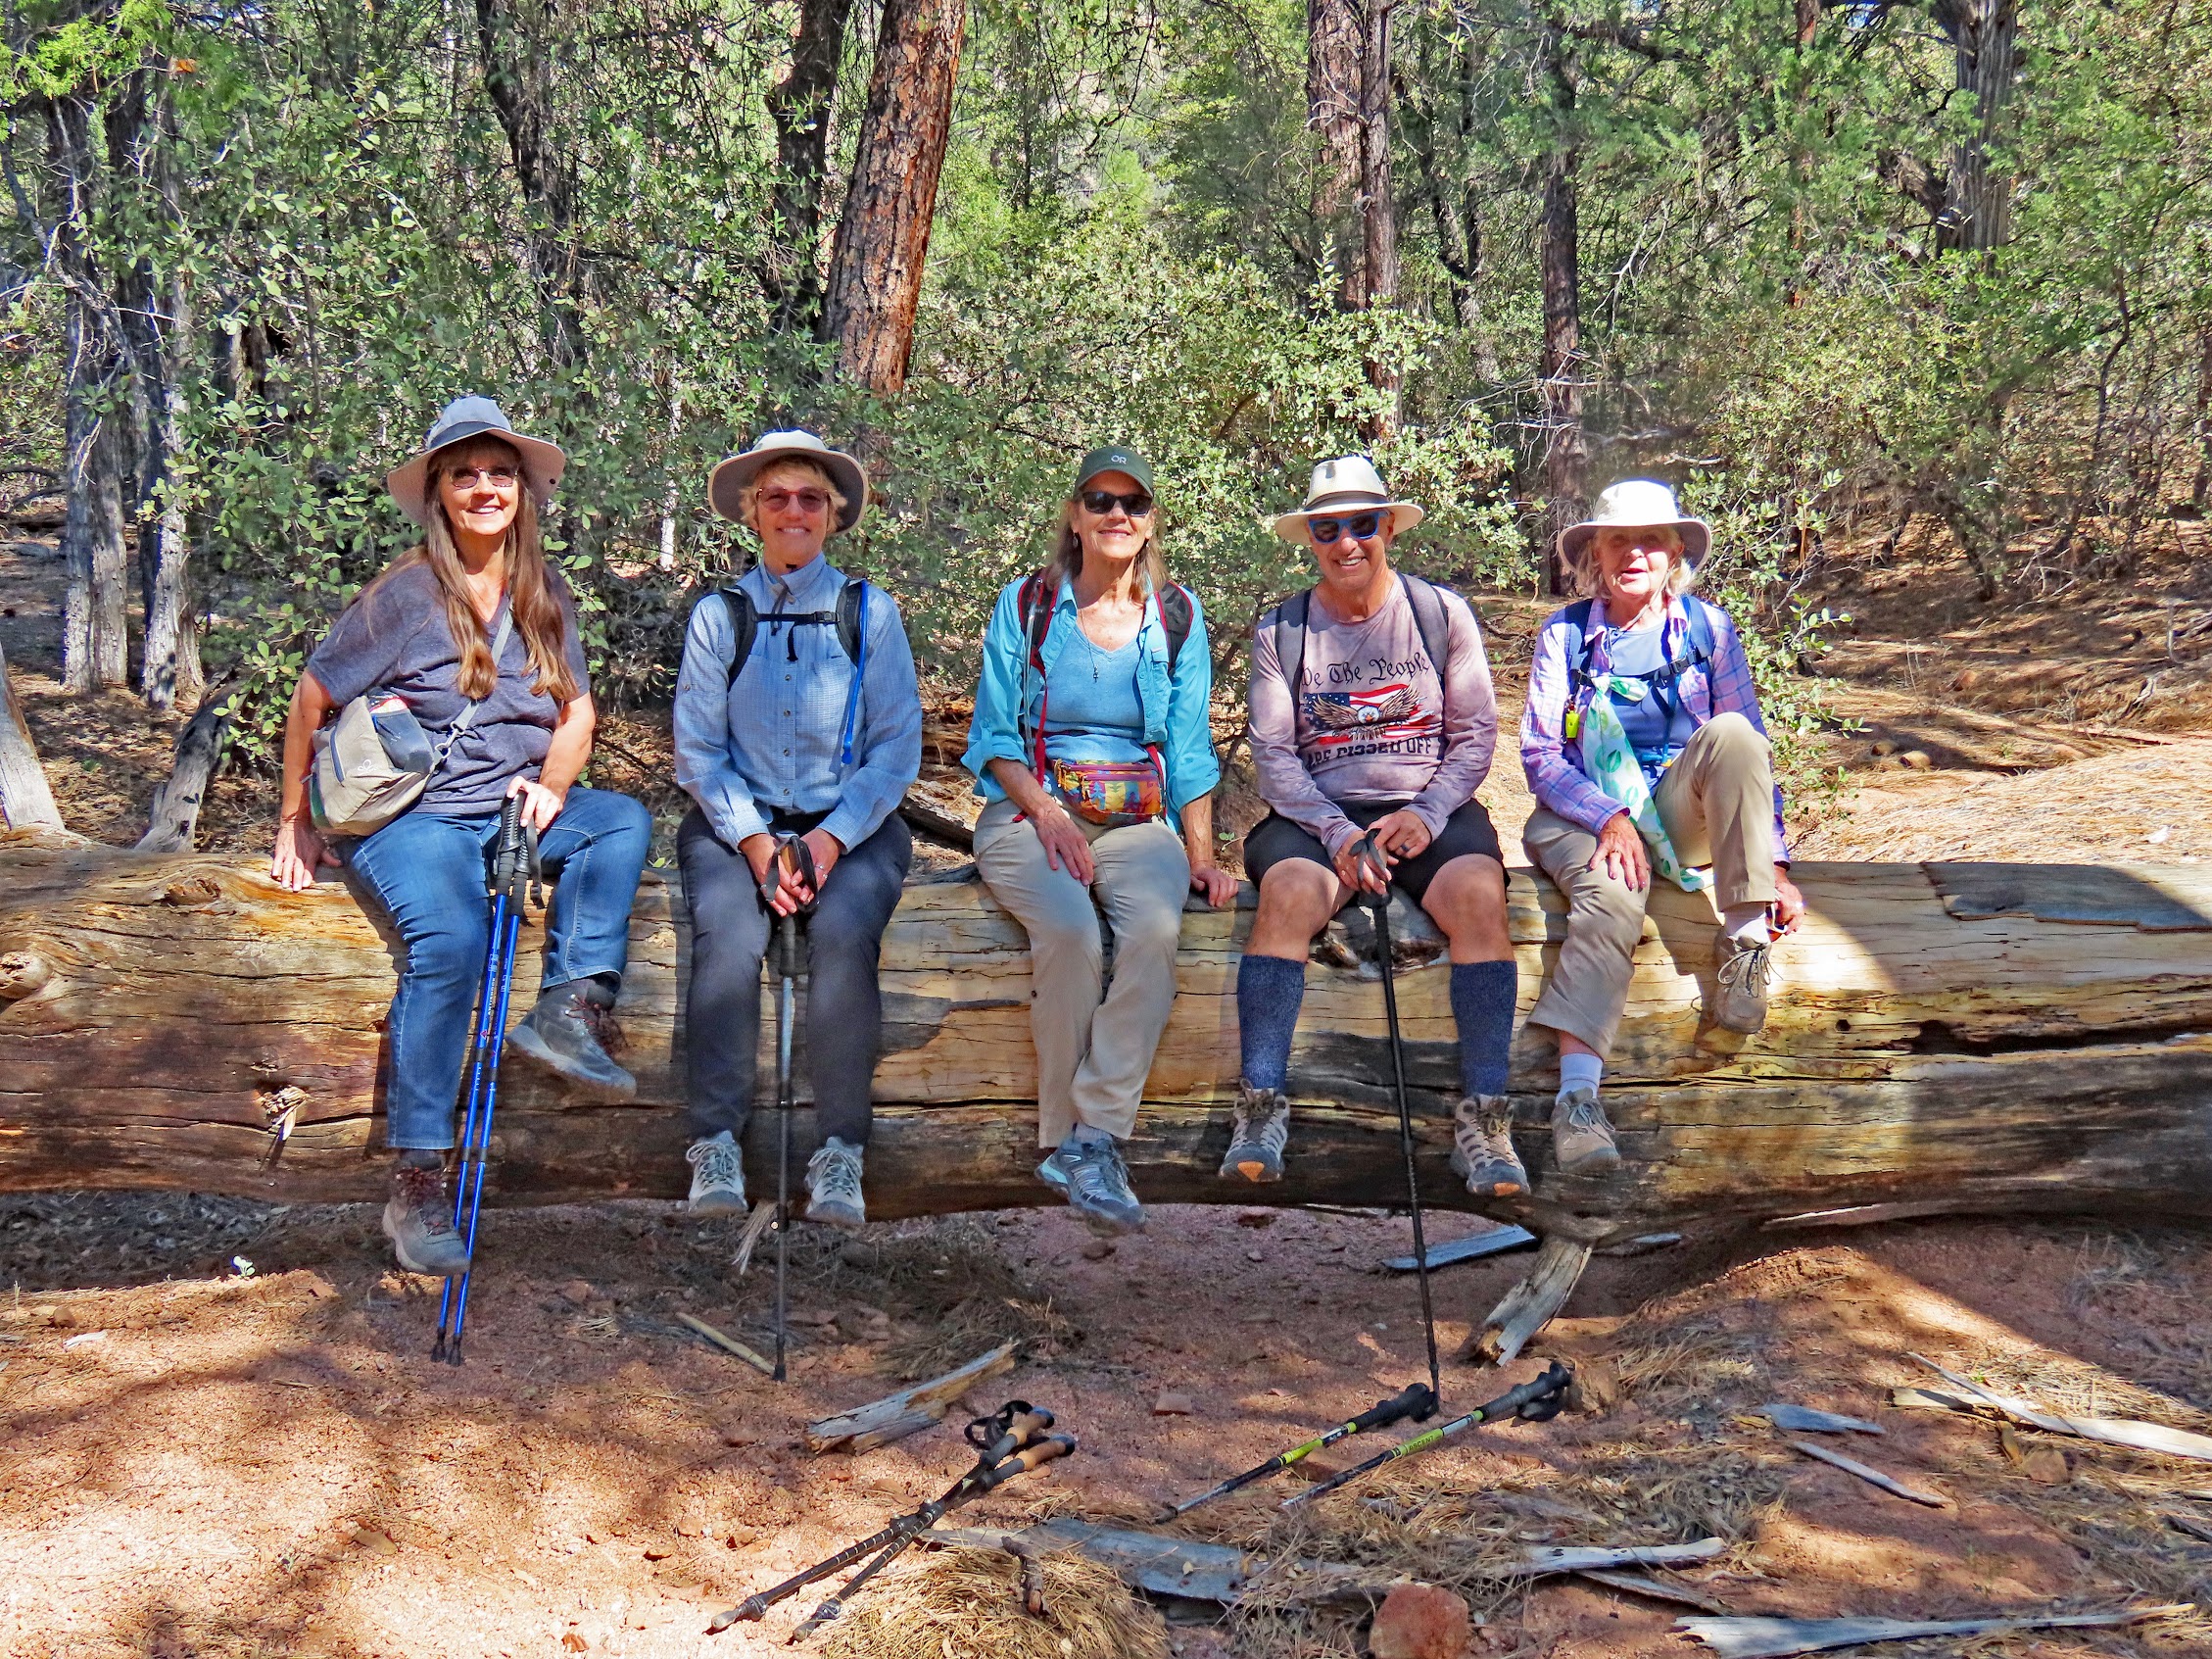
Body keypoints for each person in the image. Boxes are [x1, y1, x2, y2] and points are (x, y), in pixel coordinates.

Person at [270, 395, 652, 1277]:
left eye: (500, 473)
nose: (485, 488)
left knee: (621, 822)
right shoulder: (404, 594)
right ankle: (415, 1178)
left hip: (506, 808)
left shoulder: (543, 591)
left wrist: (554, 789)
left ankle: (571, 1009)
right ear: (439, 492)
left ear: (523, 489)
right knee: (449, 942)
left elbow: (578, 709)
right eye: (465, 475)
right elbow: (312, 698)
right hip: (416, 820)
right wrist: (294, 817)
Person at [1228, 456, 1520, 1196]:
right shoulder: (1282, 629)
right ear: (1311, 538)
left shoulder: (1441, 613)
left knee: (1481, 898)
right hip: (1315, 814)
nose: (1346, 542)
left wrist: (1426, 813)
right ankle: (1259, 1106)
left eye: (1362, 524)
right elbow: (1274, 755)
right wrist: (1336, 834)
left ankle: (1487, 1119)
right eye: (1328, 528)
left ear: (1389, 526)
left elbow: (1477, 731)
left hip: (1429, 804)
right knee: (1290, 895)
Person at [964, 445, 1233, 1237]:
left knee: (1153, 927)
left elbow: (1188, 751)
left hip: (1135, 819)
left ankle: (1096, 1136)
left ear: (1151, 522)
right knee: (1071, 929)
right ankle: (1066, 1137)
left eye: (1134, 503)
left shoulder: (1175, 618)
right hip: (1030, 809)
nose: (1118, 514)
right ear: (1075, 517)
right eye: (1100, 500)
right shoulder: (1026, 607)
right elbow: (992, 737)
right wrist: (1046, 811)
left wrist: (1204, 857)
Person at [1519, 478, 1805, 1180]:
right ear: (1596, 552)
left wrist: (1776, 864)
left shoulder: (1711, 629)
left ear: (1675, 551)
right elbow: (1539, 754)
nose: (1635, 553)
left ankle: (1743, 948)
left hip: (1678, 811)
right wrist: (1609, 816)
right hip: (1583, 809)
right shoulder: (1563, 635)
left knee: (1735, 733)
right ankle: (1577, 1102)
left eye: (1651, 540)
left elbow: (1751, 748)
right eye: (1620, 540)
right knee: (1611, 896)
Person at [672, 430, 923, 1229]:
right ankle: (714, 1142)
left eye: (810, 497)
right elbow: (698, 753)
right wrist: (755, 845)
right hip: (736, 821)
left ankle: (841, 1152)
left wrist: (826, 841)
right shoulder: (720, 616)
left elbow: (895, 750)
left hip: (851, 823)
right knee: (727, 937)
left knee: (845, 932)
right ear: (752, 513)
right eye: (775, 496)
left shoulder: (867, 612)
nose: (793, 510)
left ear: (832, 514)